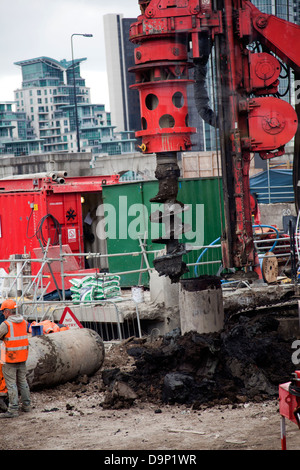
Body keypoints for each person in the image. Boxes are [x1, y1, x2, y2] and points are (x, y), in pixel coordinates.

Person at [0, 299, 31, 418]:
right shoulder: (24, 322)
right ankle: (27, 406)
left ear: (8, 312)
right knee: (23, 382)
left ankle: (13, 409)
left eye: (3, 311)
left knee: (11, 384)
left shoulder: (6, 324)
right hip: (22, 357)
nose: (3, 314)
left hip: (9, 359)